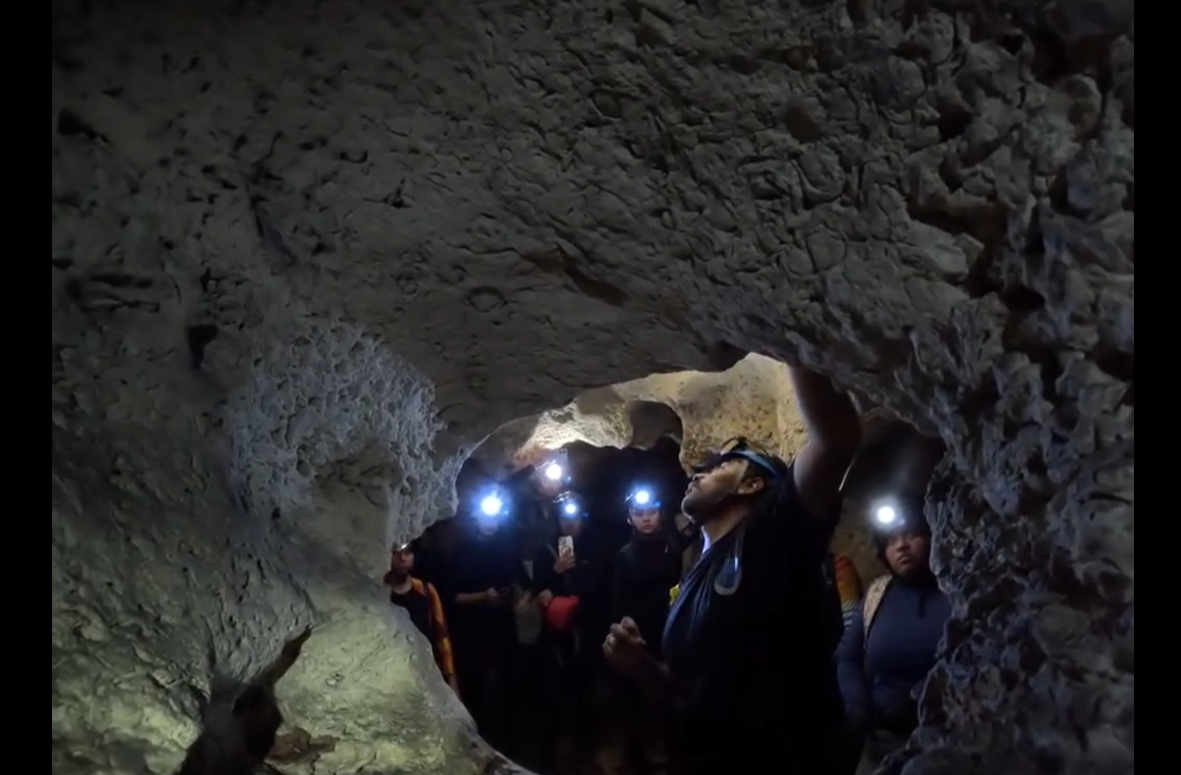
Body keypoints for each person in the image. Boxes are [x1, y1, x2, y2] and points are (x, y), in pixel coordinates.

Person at [602, 366, 861, 775]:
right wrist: (642, 666)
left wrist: (786, 331)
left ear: (752, 485)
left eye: (720, 466)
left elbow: (835, 440)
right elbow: (688, 691)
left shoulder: (770, 538)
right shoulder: (696, 573)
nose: (698, 472)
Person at [836, 514, 950, 775]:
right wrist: (856, 704)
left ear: (932, 538)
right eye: (890, 541)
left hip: (950, 740)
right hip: (883, 742)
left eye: (911, 535)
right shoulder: (877, 595)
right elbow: (847, 658)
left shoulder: (957, 592)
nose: (901, 546)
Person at [609, 487, 684, 773]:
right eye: (639, 514)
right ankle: (634, 753)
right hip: (636, 633)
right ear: (630, 518)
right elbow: (617, 602)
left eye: (651, 512)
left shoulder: (671, 548)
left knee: (665, 693)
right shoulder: (624, 557)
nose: (646, 519)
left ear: (660, 514)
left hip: (666, 632)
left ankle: (667, 747)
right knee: (633, 697)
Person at [383, 543, 459, 696]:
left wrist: (450, 677)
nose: (402, 558)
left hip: (425, 670)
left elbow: (441, 634)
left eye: (407, 552)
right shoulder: (379, 592)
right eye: (396, 553)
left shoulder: (425, 590)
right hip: (390, 671)